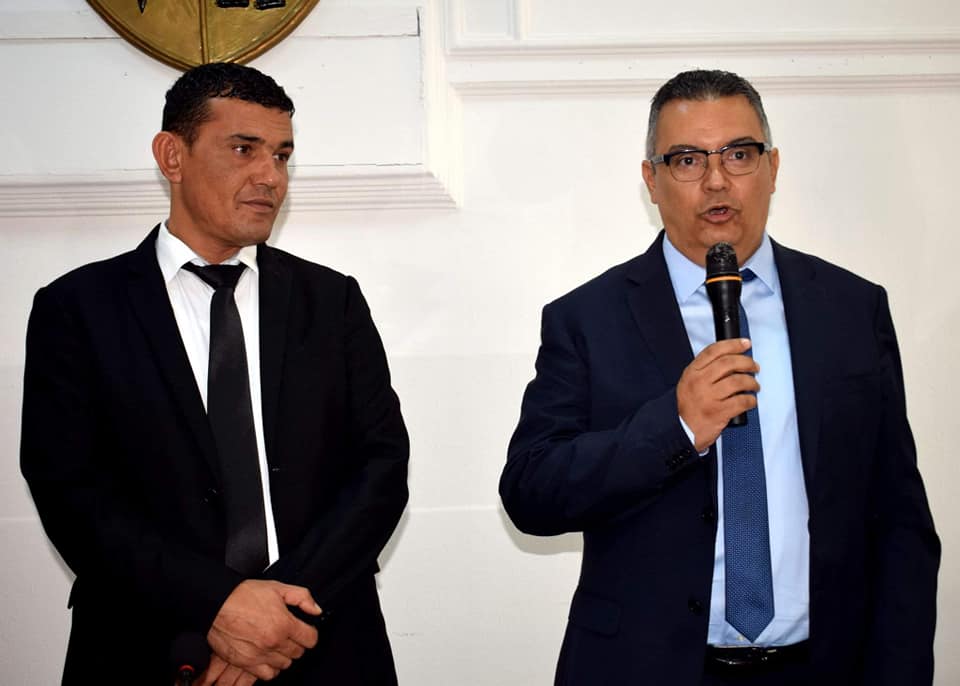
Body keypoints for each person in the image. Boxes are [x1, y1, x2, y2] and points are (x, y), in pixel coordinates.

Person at [500, 69, 939, 685]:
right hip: (645, 669)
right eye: (686, 159)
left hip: (824, 666)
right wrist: (675, 428)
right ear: (651, 180)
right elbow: (531, 493)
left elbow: (899, 518)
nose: (716, 180)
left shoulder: (850, 308)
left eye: (739, 154)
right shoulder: (587, 319)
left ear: (772, 167)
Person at [20, 63, 409, 685]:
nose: (270, 176)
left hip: (320, 639)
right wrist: (219, 605)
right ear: (172, 156)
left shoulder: (331, 300)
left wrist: (273, 616)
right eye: (243, 149)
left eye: (282, 155)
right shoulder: (77, 308)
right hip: (144, 644)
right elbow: (71, 491)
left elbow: (381, 470)